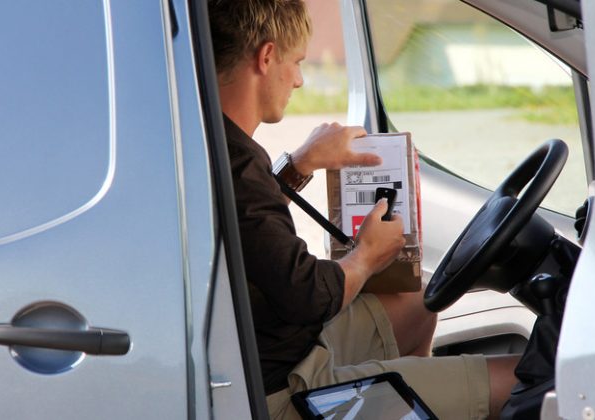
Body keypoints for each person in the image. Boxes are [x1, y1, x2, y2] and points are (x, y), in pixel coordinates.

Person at [208, 0, 519, 418]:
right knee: (521, 378)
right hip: (279, 391)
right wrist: (367, 255)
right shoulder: (239, 162)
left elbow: (241, 224)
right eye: (296, 62)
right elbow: (309, 297)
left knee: (421, 301)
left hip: (275, 350)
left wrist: (301, 163)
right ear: (266, 57)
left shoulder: (213, 141)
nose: (299, 80)